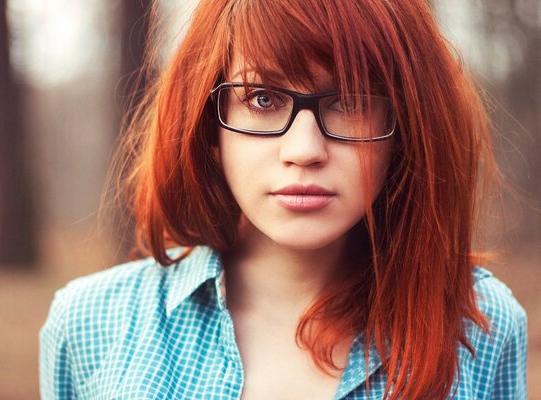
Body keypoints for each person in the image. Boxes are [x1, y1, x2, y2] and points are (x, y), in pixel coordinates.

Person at [39, 0, 528, 399]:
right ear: (209, 121)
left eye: (351, 101)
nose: (304, 151)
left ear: (404, 129)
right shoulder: (90, 323)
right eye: (262, 98)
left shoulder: (481, 326)